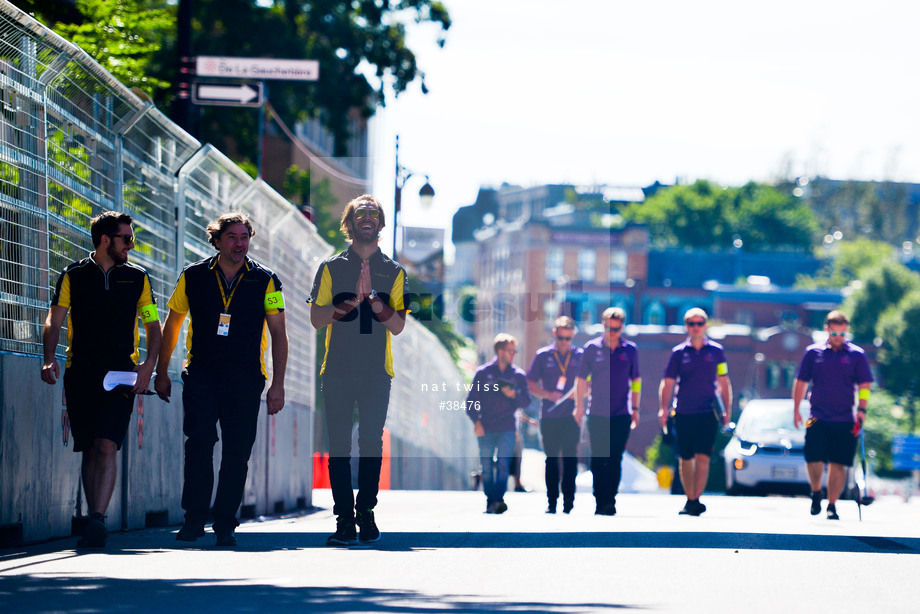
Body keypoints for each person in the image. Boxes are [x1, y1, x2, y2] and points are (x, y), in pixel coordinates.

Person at [155, 212, 287, 547]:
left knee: (236, 452)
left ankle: (225, 523)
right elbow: (172, 325)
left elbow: (279, 335)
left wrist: (278, 384)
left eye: (245, 237)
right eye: (232, 237)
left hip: (245, 378)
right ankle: (194, 518)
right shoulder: (194, 275)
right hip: (201, 374)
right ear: (216, 240)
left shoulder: (266, 280)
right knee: (199, 444)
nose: (240, 243)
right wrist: (161, 372)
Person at [41, 211, 162, 548]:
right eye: (127, 238)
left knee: (107, 444)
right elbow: (55, 319)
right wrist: (49, 358)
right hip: (80, 372)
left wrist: (149, 364)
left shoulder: (138, 277)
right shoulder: (73, 275)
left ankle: (97, 519)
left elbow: (153, 325)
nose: (132, 245)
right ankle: (94, 518)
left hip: (122, 374)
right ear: (106, 239)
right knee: (90, 448)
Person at [307, 194, 408, 546]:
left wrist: (375, 302)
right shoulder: (331, 267)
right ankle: (344, 519)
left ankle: (366, 510)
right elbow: (316, 319)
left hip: (376, 372)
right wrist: (348, 304)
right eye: (360, 213)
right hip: (336, 368)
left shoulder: (394, 271)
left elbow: (397, 326)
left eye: (373, 214)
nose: (367, 217)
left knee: (370, 443)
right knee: (337, 446)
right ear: (349, 224)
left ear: (380, 224)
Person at [793, 310, 872, 520]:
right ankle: (816, 491)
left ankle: (832, 504)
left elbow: (864, 385)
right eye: (834, 333)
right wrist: (796, 409)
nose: (838, 338)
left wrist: (862, 409)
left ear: (846, 331)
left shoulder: (857, 355)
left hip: (845, 418)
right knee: (813, 458)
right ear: (827, 330)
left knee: (839, 463)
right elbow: (801, 382)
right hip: (816, 416)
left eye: (842, 334)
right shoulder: (813, 352)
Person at [658, 308, 731, 516]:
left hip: (708, 412)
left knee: (703, 457)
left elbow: (724, 382)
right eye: (692, 324)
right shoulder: (678, 353)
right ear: (686, 326)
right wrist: (663, 408)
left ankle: (696, 498)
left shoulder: (716, 352)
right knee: (685, 457)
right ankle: (690, 498)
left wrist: (727, 410)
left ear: (706, 325)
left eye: (700, 323)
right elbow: (668, 382)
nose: (696, 327)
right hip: (683, 412)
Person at [574, 308, 641, 516]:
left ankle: (609, 501)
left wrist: (636, 408)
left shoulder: (630, 350)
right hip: (597, 413)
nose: (613, 332)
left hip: (622, 413)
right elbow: (581, 380)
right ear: (603, 325)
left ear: (622, 327)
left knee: (614, 458)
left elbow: (636, 381)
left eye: (617, 329)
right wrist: (579, 406)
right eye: (610, 328)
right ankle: (599, 499)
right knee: (598, 458)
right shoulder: (591, 349)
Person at [466, 334, 532, 514]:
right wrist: (476, 421)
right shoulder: (483, 373)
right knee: (486, 467)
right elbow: (471, 401)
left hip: (507, 428)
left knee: (504, 464)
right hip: (485, 427)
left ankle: (498, 499)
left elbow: (527, 401)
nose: (514, 354)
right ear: (500, 351)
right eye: (511, 351)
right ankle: (491, 499)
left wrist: (513, 396)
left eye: (515, 351)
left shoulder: (518, 375)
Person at [528, 316, 583, 514]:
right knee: (551, 459)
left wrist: (577, 396)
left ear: (573, 337)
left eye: (568, 339)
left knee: (570, 458)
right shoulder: (543, 355)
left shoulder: (580, 356)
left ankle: (569, 501)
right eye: (561, 338)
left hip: (571, 416)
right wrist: (547, 394)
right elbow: (531, 383)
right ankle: (552, 501)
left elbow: (590, 383)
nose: (564, 342)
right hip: (549, 416)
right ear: (554, 335)